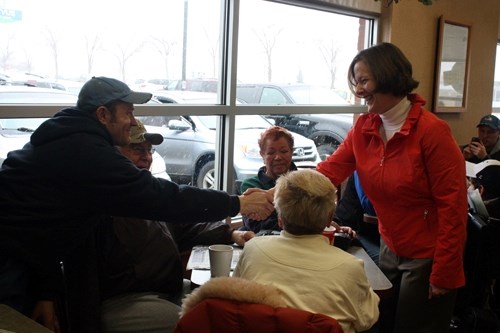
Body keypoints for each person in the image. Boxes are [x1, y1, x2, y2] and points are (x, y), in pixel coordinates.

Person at [0, 76, 273, 331]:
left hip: (25, 258)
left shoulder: (68, 141)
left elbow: (51, 232)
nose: (133, 120)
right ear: (103, 115)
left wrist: (45, 293)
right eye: (128, 112)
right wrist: (235, 203)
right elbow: (162, 198)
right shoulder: (88, 154)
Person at [315, 43, 468, 333]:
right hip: (389, 246)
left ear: (388, 76)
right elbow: (328, 171)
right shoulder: (364, 127)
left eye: (363, 80)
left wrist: (444, 272)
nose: (358, 90)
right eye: (356, 82)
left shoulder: (432, 132)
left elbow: (454, 207)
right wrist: (280, 191)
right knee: (377, 322)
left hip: (428, 255)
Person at [98, 120, 256, 333]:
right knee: (202, 323)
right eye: (137, 150)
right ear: (114, 155)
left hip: (167, 288)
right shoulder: (106, 202)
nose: (146, 156)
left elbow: (185, 228)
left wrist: (232, 233)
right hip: (130, 299)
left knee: (226, 306)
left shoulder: (147, 195)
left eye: (149, 150)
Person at [234, 169, 380, 333]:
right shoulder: (350, 267)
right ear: (329, 219)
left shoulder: (253, 249)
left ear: (280, 219)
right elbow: (367, 318)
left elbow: (238, 300)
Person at [239, 126, 297, 233]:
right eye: (271, 153)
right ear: (262, 155)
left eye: (284, 151)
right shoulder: (251, 185)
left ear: (292, 152)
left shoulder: (305, 181)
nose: (278, 157)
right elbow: (255, 225)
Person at [334, 171, 380, 264]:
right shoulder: (363, 170)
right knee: (381, 259)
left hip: (372, 231)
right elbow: (370, 207)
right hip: (354, 231)